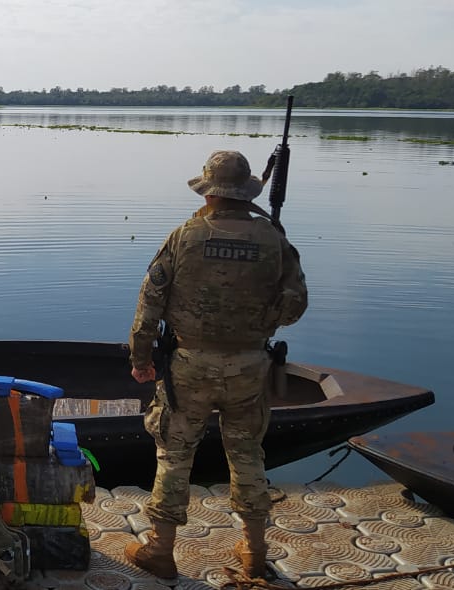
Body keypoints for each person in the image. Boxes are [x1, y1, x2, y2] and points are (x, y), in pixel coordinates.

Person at [124, 150, 308, 580]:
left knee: (174, 453)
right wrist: (259, 315)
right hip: (250, 365)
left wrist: (141, 359)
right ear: (247, 194)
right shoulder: (273, 238)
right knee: (248, 454)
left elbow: (149, 306)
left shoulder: (184, 236)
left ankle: (160, 550)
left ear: (208, 192)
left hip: (189, 365)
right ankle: (254, 552)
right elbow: (295, 307)